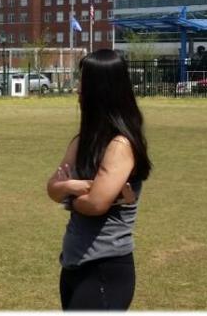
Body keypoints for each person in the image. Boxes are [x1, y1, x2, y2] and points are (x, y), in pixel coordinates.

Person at [46, 49, 152, 310]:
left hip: (105, 269)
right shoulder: (82, 141)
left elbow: (95, 205)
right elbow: (52, 188)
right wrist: (73, 186)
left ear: (101, 89)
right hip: (73, 265)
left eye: (83, 81)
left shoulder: (120, 145)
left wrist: (67, 194)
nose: (77, 89)